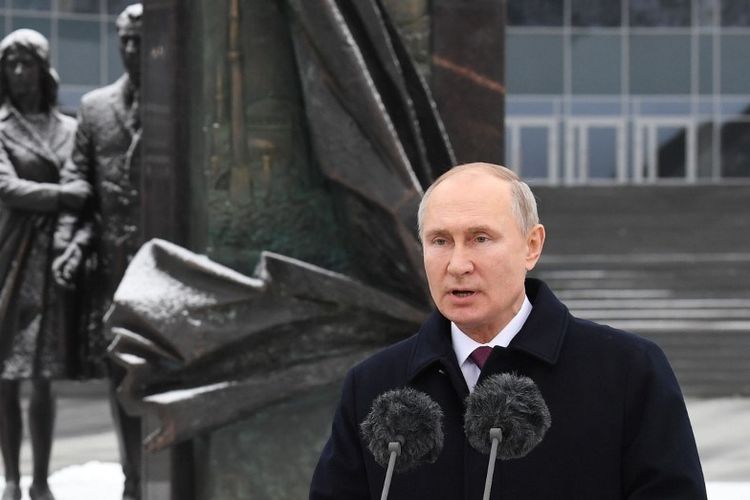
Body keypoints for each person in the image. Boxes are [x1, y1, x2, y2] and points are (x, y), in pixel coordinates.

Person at [309, 162, 707, 499]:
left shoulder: (626, 371)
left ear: (531, 246)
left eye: (480, 239)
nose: (458, 264)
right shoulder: (373, 384)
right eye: (440, 241)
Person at [51, 4, 143, 500]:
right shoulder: (94, 107)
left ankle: (163, 475)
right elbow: (76, 186)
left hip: (169, 270)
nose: (132, 49)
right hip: (113, 273)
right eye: (125, 39)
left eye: (140, 40)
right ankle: (133, 480)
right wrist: (70, 241)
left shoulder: (182, 102)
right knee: (121, 380)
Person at [0, 29, 89, 500]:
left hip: (53, 264)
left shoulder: (69, 129)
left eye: (26, 63)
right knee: (7, 376)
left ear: (42, 68)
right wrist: (62, 197)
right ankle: (11, 478)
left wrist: (67, 222)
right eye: (10, 64)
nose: (18, 73)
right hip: (9, 261)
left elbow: (83, 193)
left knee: (44, 377)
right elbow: (7, 187)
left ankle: (40, 480)